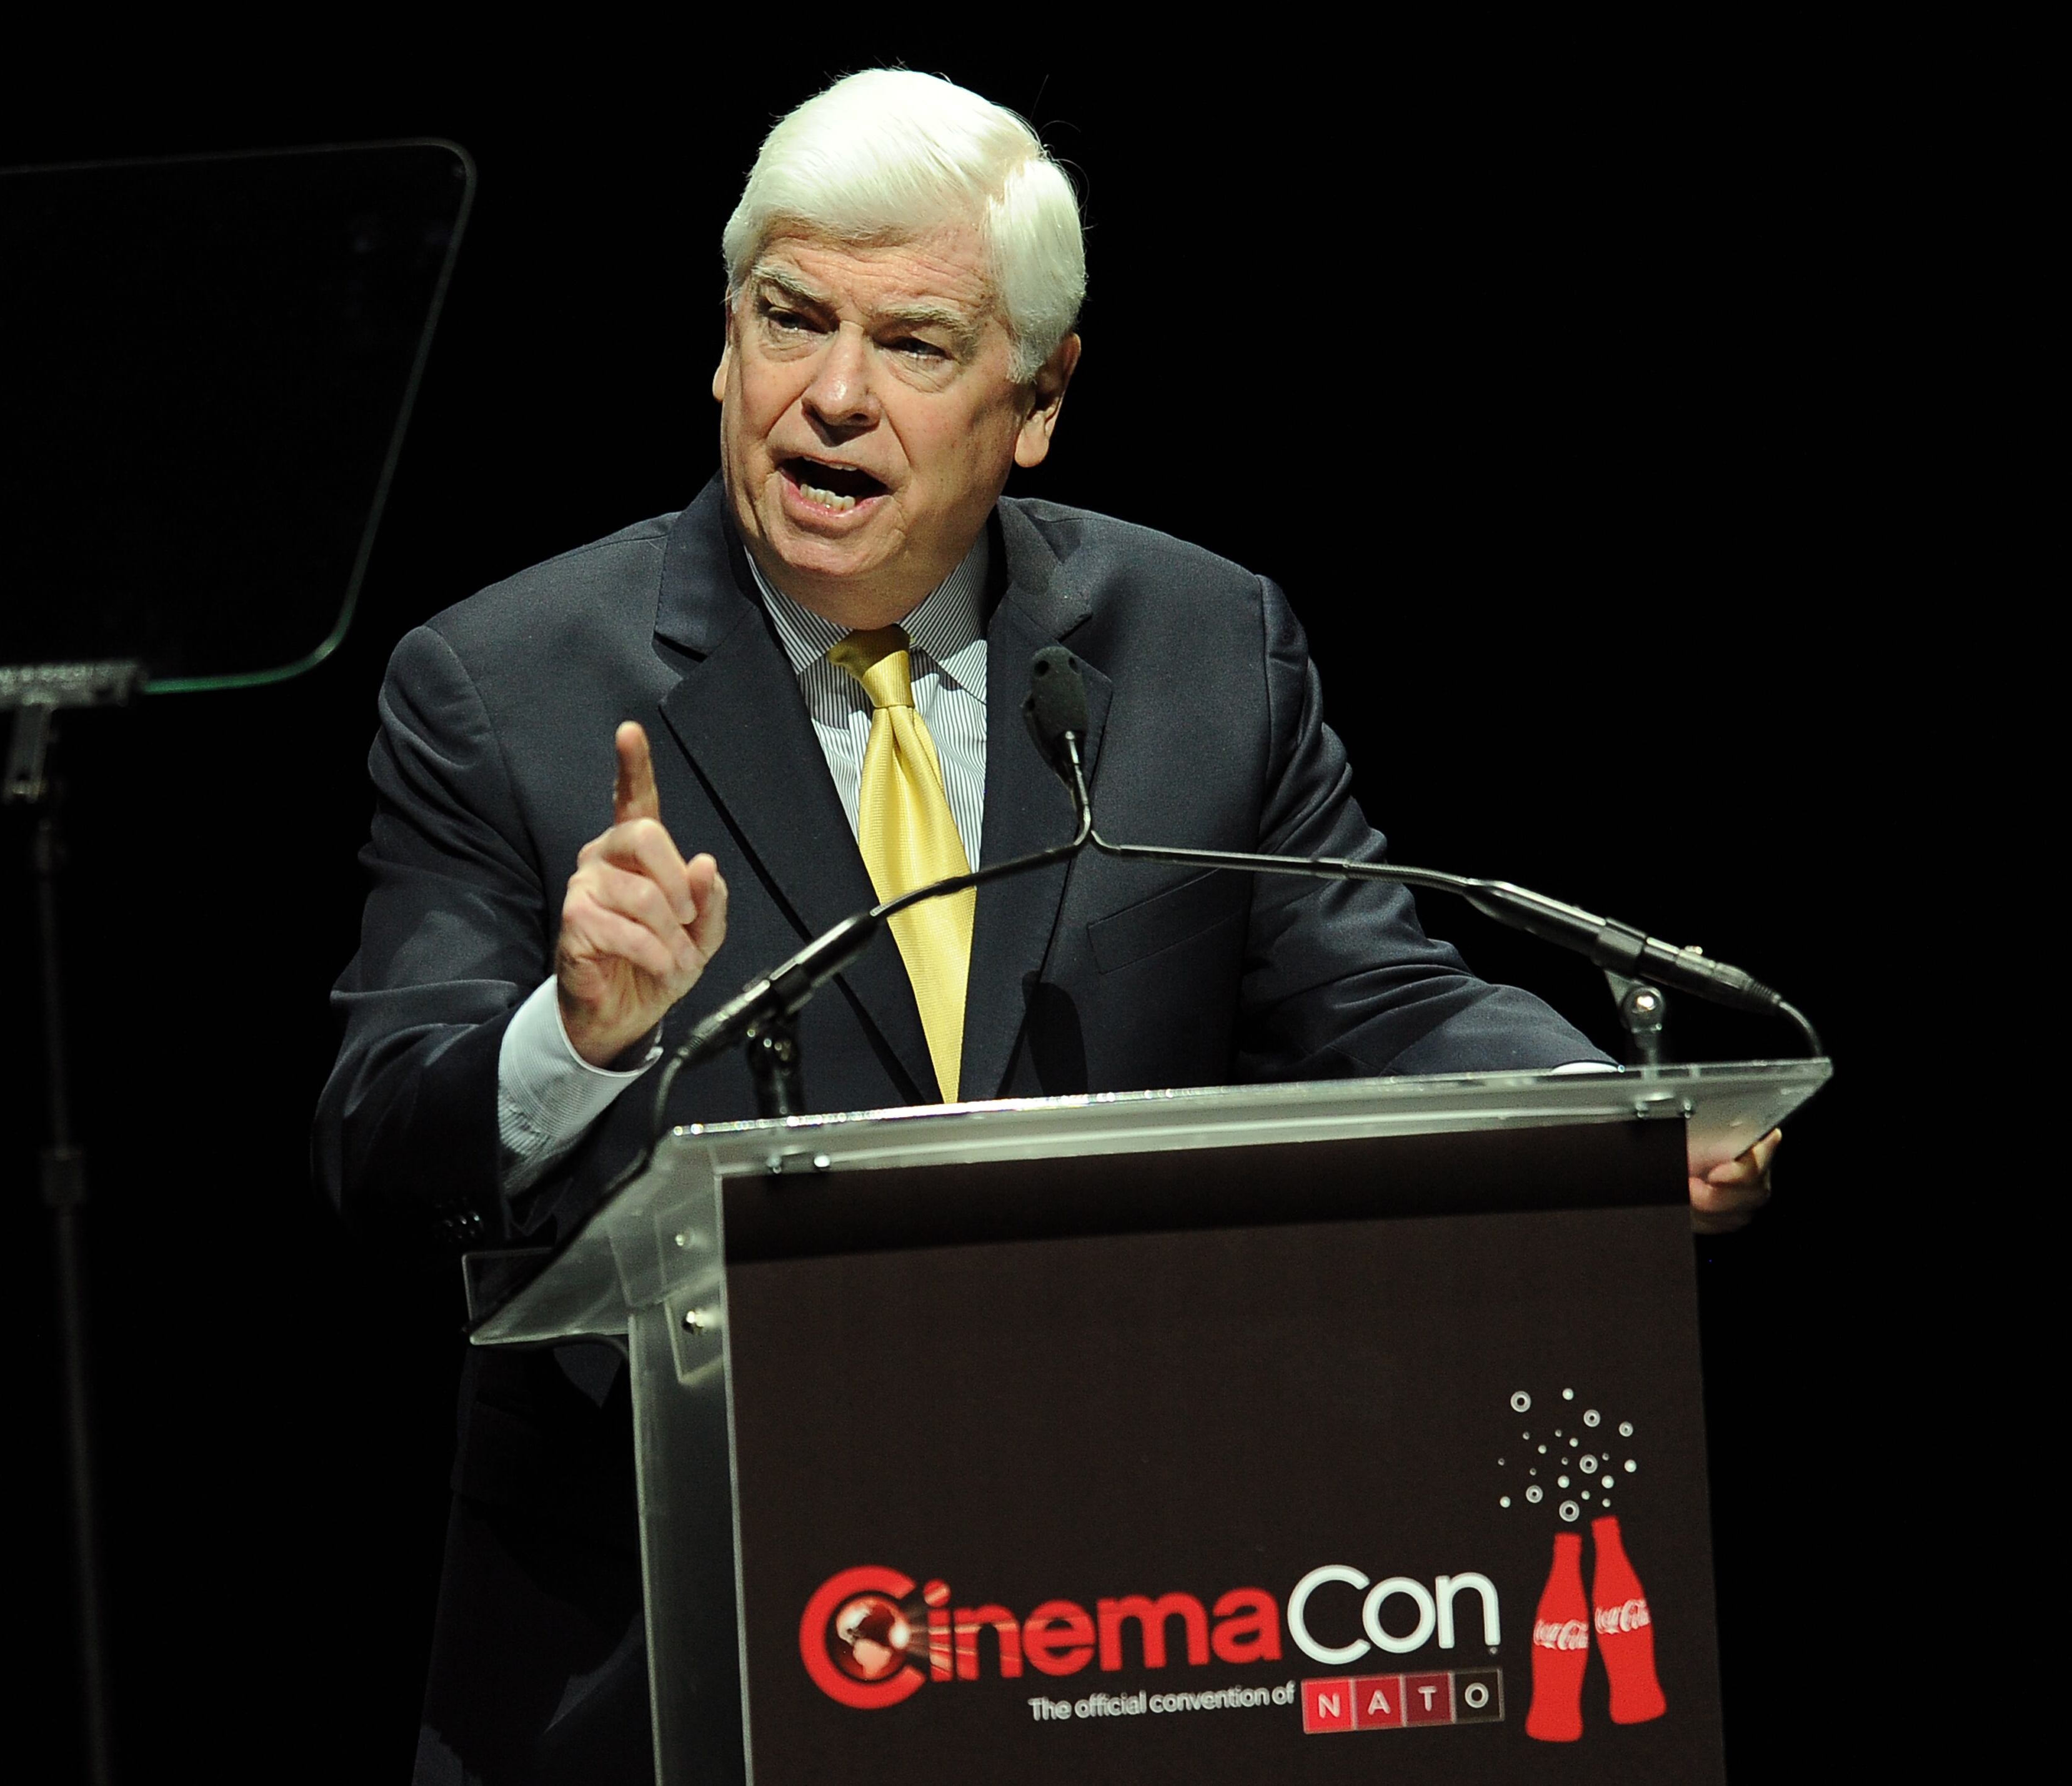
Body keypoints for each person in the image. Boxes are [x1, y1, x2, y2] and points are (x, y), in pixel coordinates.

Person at [313, 68, 1776, 1785]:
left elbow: (1373, 986)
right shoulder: (506, 685)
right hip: (675, 1664)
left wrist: (1601, 1125)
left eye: (915, 344)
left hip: (1115, 1619)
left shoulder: (1202, 649)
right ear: (725, 342)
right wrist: (577, 1033)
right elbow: (379, 1133)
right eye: (791, 319)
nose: (832, 396)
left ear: (1040, 397)